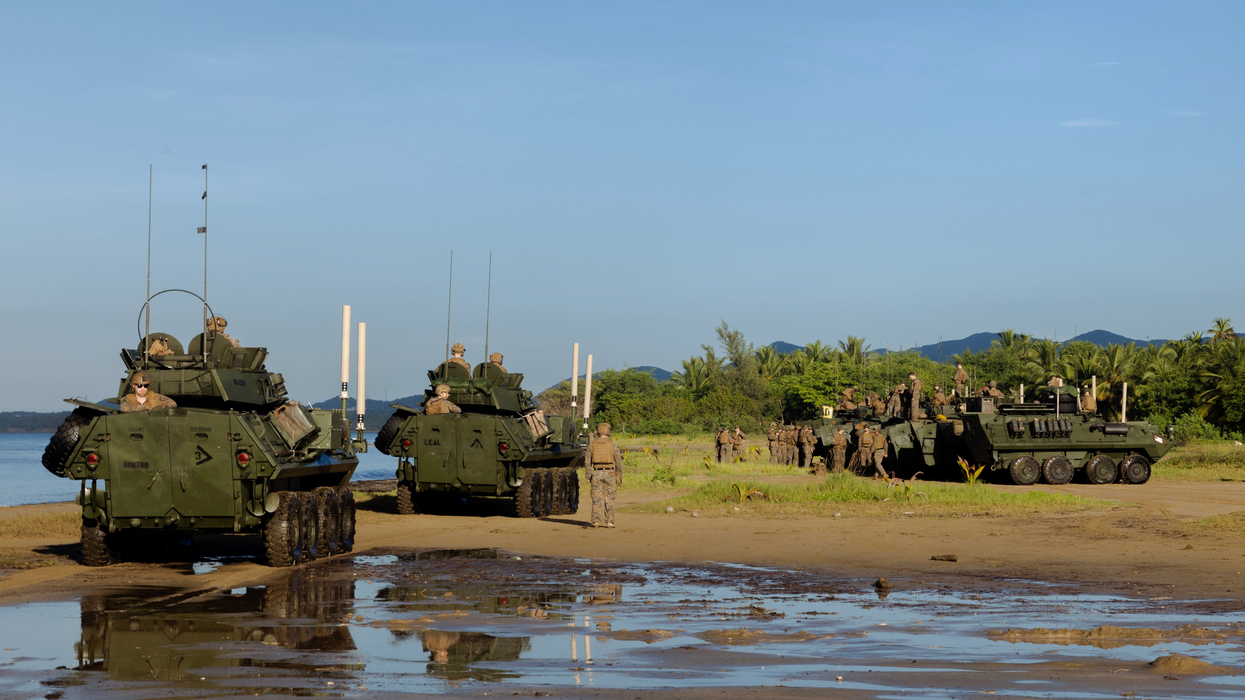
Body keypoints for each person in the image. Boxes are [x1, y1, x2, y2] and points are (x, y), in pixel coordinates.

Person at [587, 422, 623, 528]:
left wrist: (588, 475)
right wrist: (619, 475)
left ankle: (596, 521)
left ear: (598, 431)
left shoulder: (592, 444)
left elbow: (587, 460)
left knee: (596, 499)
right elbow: (618, 461)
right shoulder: (613, 445)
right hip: (610, 473)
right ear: (608, 431)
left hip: (597, 472)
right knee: (609, 498)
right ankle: (609, 522)